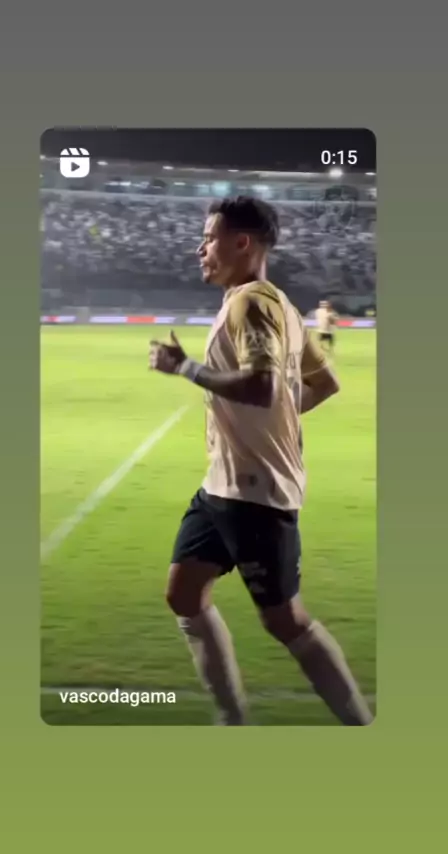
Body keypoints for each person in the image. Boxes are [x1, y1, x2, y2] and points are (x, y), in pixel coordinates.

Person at [149, 196, 372, 726]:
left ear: (242, 243)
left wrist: (186, 369)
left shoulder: (253, 303)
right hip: (221, 486)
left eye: (209, 238)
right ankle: (233, 721)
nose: (201, 248)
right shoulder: (277, 305)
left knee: (285, 621)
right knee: (184, 594)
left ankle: (362, 725)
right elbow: (325, 382)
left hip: (255, 493)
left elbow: (263, 386)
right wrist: (277, 420)